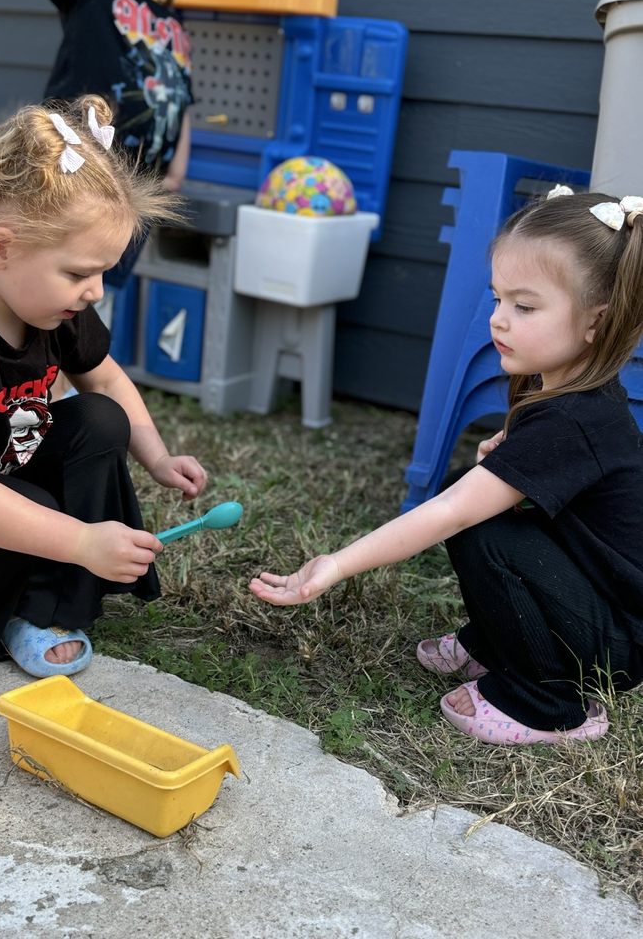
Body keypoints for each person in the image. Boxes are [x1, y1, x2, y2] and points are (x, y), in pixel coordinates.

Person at [250, 186, 643, 746]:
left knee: (483, 529)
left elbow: (452, 514)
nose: (499, 321)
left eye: (524, 306)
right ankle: (496, 646)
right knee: (483, 508)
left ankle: (552, 704)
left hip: (618, 640)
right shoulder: (567, 389)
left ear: (595, 323)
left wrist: (335, 565)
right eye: (498, 299)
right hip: (599, 600)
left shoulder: (574, 420)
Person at [0, 94, 207, 678]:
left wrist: (158, 457)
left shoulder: (51, 305)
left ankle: (44, 610)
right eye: (80, 272)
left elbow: (107, 379)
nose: (96, 292)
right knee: (31, 510)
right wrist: (79, 540)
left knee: (97, 419)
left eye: (104, 272)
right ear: (3, 248)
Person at [31, 0, 192, 290]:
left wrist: (177, 168)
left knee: (103, 291)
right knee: (61, 282)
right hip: (74, 178)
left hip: (136, 190)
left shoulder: (172, 20)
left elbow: (180, 92)